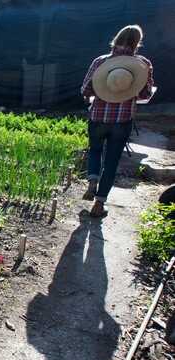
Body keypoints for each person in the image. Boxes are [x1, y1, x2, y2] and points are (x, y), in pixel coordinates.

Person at [80, 24, 154, 218]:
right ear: (136, 42)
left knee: (95, 151)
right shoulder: (142, 64)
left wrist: (103, 91)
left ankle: (92, 182)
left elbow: (86, 90)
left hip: (98, 118)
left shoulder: (101, 62)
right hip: (122, 120)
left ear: (117, 38)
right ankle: (99, 205)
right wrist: (127, 91)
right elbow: (146, 94)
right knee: (112, 161)